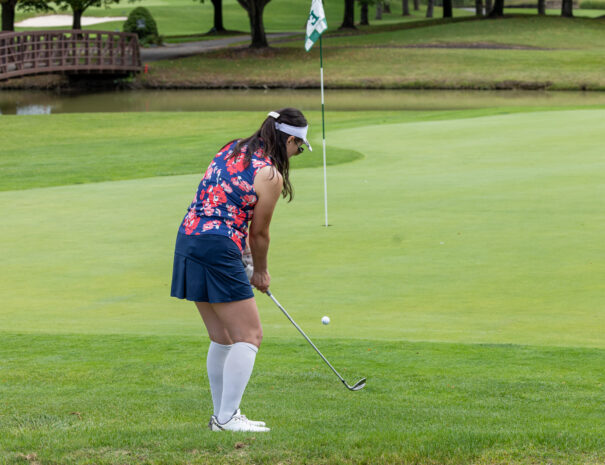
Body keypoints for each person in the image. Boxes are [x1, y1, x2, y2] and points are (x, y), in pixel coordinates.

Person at [170, 108, 311, 432]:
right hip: (217, 246)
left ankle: (222, 415)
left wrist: (242, 252)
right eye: (299, 148)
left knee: (223, 337)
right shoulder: (270, 175)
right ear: (290, 140)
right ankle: (227, 418)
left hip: (189, 238)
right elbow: (259, 233)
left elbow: (225, 202)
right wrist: (260, 272)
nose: (296, 154)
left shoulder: (232, 147)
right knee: (250, 336)